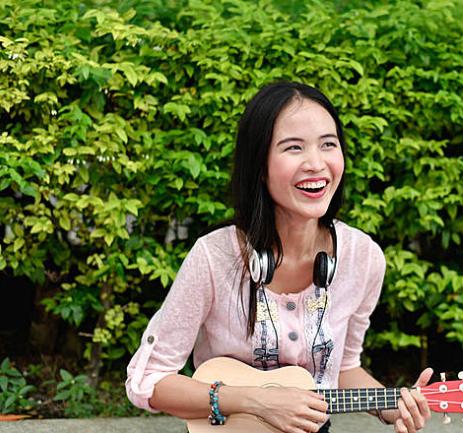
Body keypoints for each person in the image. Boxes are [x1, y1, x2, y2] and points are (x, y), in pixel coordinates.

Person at [125, 82, 433, 433]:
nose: (316, 164)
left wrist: (392, 406)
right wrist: (254, 401)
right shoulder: (214, 257)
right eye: (293, 147)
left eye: (328, 144)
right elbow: (149, 379)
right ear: (259, 164)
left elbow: (343, 367)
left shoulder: (363, 258)